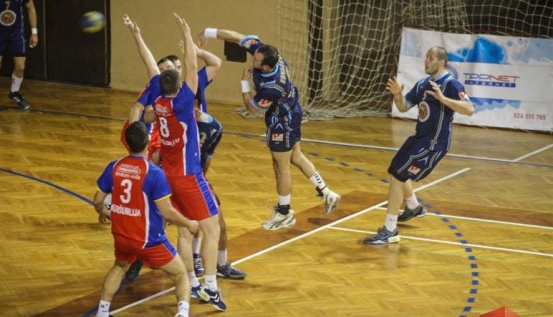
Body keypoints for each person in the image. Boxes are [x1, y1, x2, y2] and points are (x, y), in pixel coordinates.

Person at [197, 28, 341, 231]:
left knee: (281, 166)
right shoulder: (266, 52)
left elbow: (251, 109)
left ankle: (284, 213)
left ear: (265, 66)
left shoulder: (272, 87)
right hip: (292, 111)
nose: (252, 58)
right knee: (296, 156)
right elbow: (238, 37)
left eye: (256, 59)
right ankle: (326, 192)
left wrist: (244, 83)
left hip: (282, 121)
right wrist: (207, 32)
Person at [129, 13, 227, 312]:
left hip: (169, 175)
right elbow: (193, 67)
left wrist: (137, 35)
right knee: (212, 230)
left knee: (186, 231)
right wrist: (186, 32)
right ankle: (211, 286)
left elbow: (152, 70)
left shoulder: (158, 104)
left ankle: (193, 283)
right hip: (188, 176)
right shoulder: (184, 101)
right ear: (180, 83)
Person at [92, 121, 199, 317]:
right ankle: (183, 314)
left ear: (126, 142)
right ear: (148, 143)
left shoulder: (114, 166)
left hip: (121, 234)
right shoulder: (154, 173)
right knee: (181, 275)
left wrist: (105, 213)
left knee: (120, 267)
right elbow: (167, 212)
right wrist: (189, 223)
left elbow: (98, 200)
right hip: (149, 240)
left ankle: (101, 316)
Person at [364, 46, 475, 245]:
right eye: (426, 57)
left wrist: (443, 99)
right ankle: (413, 207)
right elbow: (403, 107)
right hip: (418, 138)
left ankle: (390, 230)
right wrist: (397, 95)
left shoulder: (451, 84)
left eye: (430, 58)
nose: (426, 61)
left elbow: (469, 109)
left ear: (441, 62)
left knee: (399, 175)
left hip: (434, 144)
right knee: (395, 169)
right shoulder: (423, 83)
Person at [158, 52, 247, 281]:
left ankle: (212, 267)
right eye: (167, 68)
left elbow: (213, 63)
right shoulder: (174, 101)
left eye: (177, 66)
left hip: (187, 173)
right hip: (182, 174)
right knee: (195, 227)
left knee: (209, 224)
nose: (175, 69)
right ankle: (201, 279)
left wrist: (195, 50)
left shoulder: (178, 97)